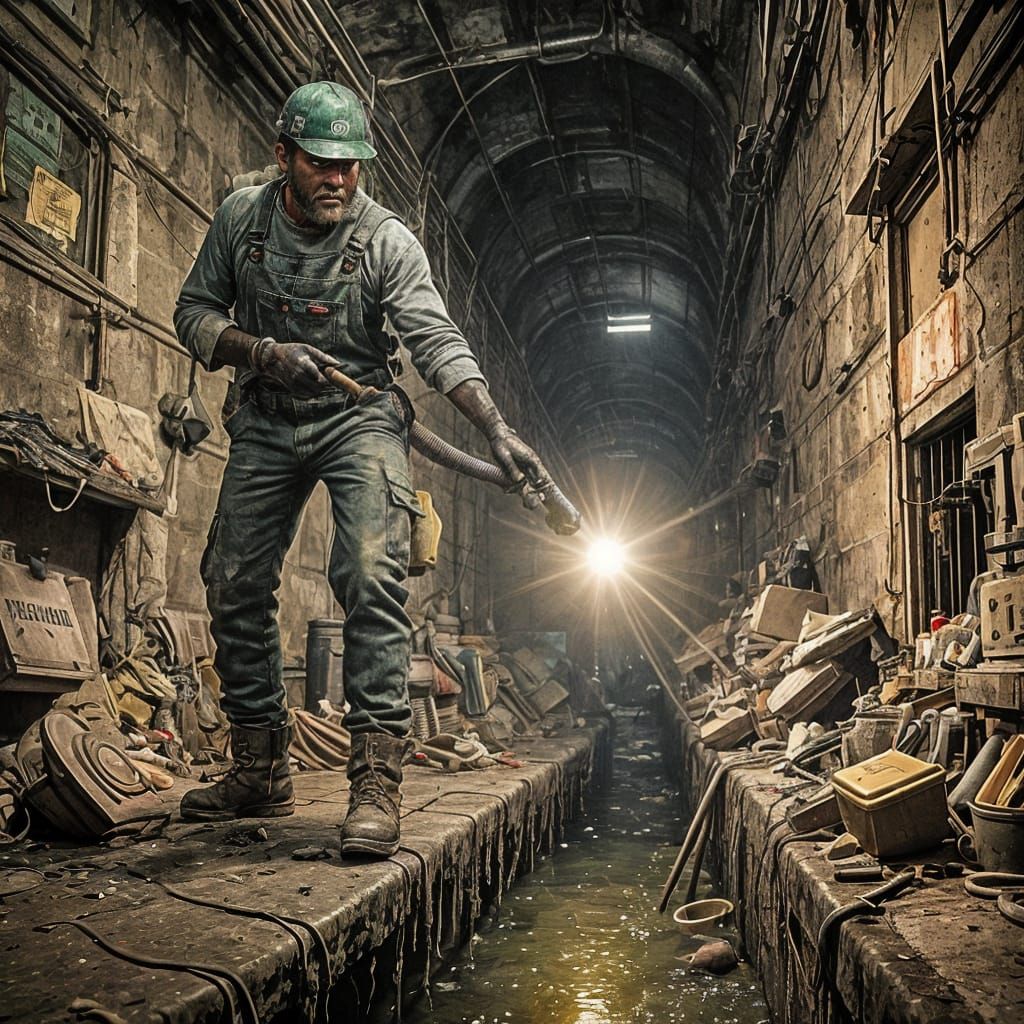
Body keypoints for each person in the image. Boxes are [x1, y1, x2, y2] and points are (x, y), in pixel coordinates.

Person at [173, 81, 550, 857]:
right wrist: (262, 352)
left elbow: (437, 340)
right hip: (270, 413)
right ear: (284, 157)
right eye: (321, 163)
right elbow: (194, 313)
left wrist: (497, 428)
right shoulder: (241, 220)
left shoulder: (386, 240)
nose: (339, 179)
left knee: (372, 578)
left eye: (351, 165)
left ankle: (375, 782)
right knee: (233, 578)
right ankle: (259, 767)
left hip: (361, 414)